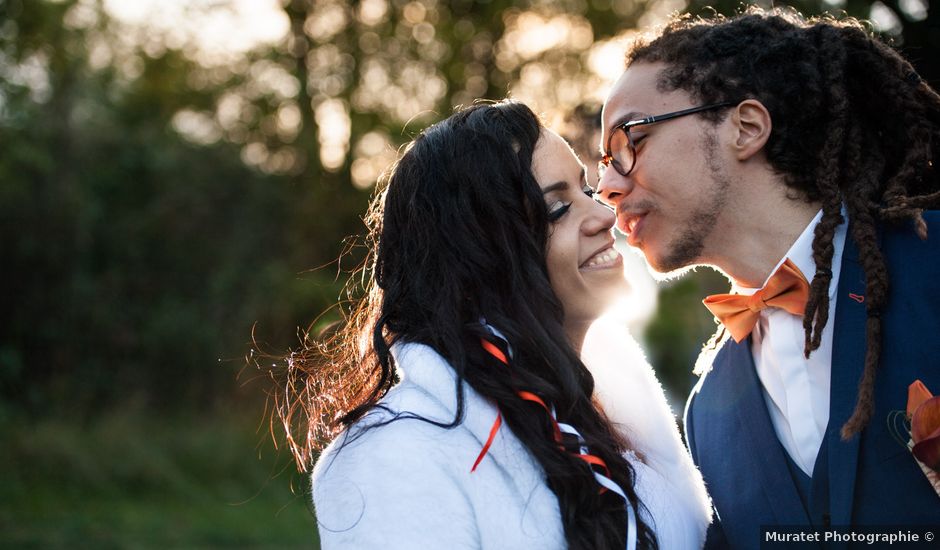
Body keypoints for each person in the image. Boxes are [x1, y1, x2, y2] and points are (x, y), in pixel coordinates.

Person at [271, 101, 712, 549]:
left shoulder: (622, 418)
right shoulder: (396, 454)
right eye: (557, 209)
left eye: (587, 191)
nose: (604, 216)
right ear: (481, 253)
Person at [595, 7, 940, 549]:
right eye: (603, 162)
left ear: (746, 127)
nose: (607, 186)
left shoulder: (933, 264)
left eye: (629, 140)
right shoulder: (707, 416)